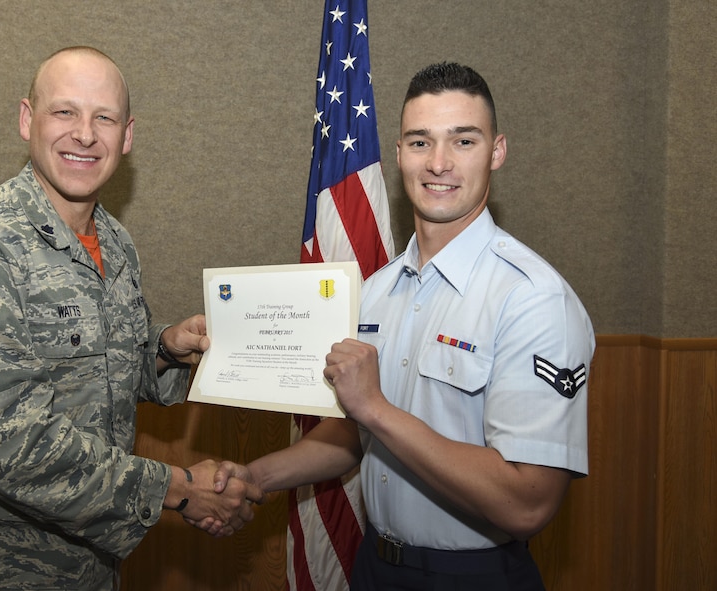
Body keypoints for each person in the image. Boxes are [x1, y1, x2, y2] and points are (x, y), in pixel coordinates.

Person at [0, 46, 262, 591]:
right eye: (65, 112)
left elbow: (96, 372)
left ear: (126, 137)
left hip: (86, 567)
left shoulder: (115, 242)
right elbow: (10, 446)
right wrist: (178, 488)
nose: (84, 134)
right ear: (26, 120)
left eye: (103, 117)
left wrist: (161, 351)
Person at [214, 63, 595, 590]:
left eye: (463, 140)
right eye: (420, 142)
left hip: (474, 576)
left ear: (497, 151)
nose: (439, 163)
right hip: (374, 567)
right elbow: (358, 434)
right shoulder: (376, 291)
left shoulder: (531, 299)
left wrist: (375, 407)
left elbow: (527, 502)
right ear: (398, 155)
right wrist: (256, 477)